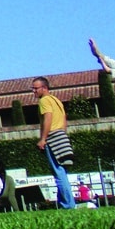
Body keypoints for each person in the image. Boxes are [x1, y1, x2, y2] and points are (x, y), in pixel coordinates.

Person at [33, 76, 76, 209]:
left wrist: (43, 138)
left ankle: (68, 205)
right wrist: (62, 133)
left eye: (36, 88)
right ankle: (65, 203)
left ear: (44, 88)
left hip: (52, 137)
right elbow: (63, 118)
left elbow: (48, 118)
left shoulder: (44, 101)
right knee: (62, 171)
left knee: (58, 172)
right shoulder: (56, 100)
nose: (33, 91)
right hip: (62, 135)